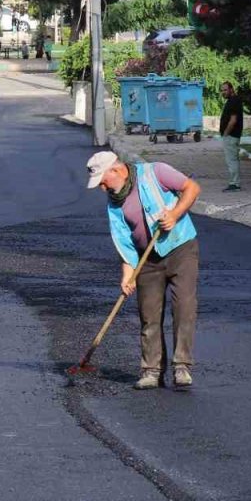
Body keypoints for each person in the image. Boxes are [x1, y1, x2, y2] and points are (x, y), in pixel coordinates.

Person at [86, 151, 202, 390]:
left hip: (181, 249)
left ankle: (182, 366)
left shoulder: (155, 172)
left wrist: (174, 214)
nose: (102, 188)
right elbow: (124, 241)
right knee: (148, 314)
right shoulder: (114, 202)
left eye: (103, 181)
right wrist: (127, 275)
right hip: (146, 259)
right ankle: (151, 370)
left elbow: (192, 188)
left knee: (184, 307)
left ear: (116, 171)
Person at [218, 82, 243, 191]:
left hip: (231, 135)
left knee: (231, 160)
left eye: (225, 90)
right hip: (233, 135)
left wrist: (225, 133)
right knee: (233, 159)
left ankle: (234, 184)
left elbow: (233, 120)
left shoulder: (233, 101)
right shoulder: (233, 100)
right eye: (222, 90)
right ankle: (235, 182)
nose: (223, 92)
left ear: (231, 89)